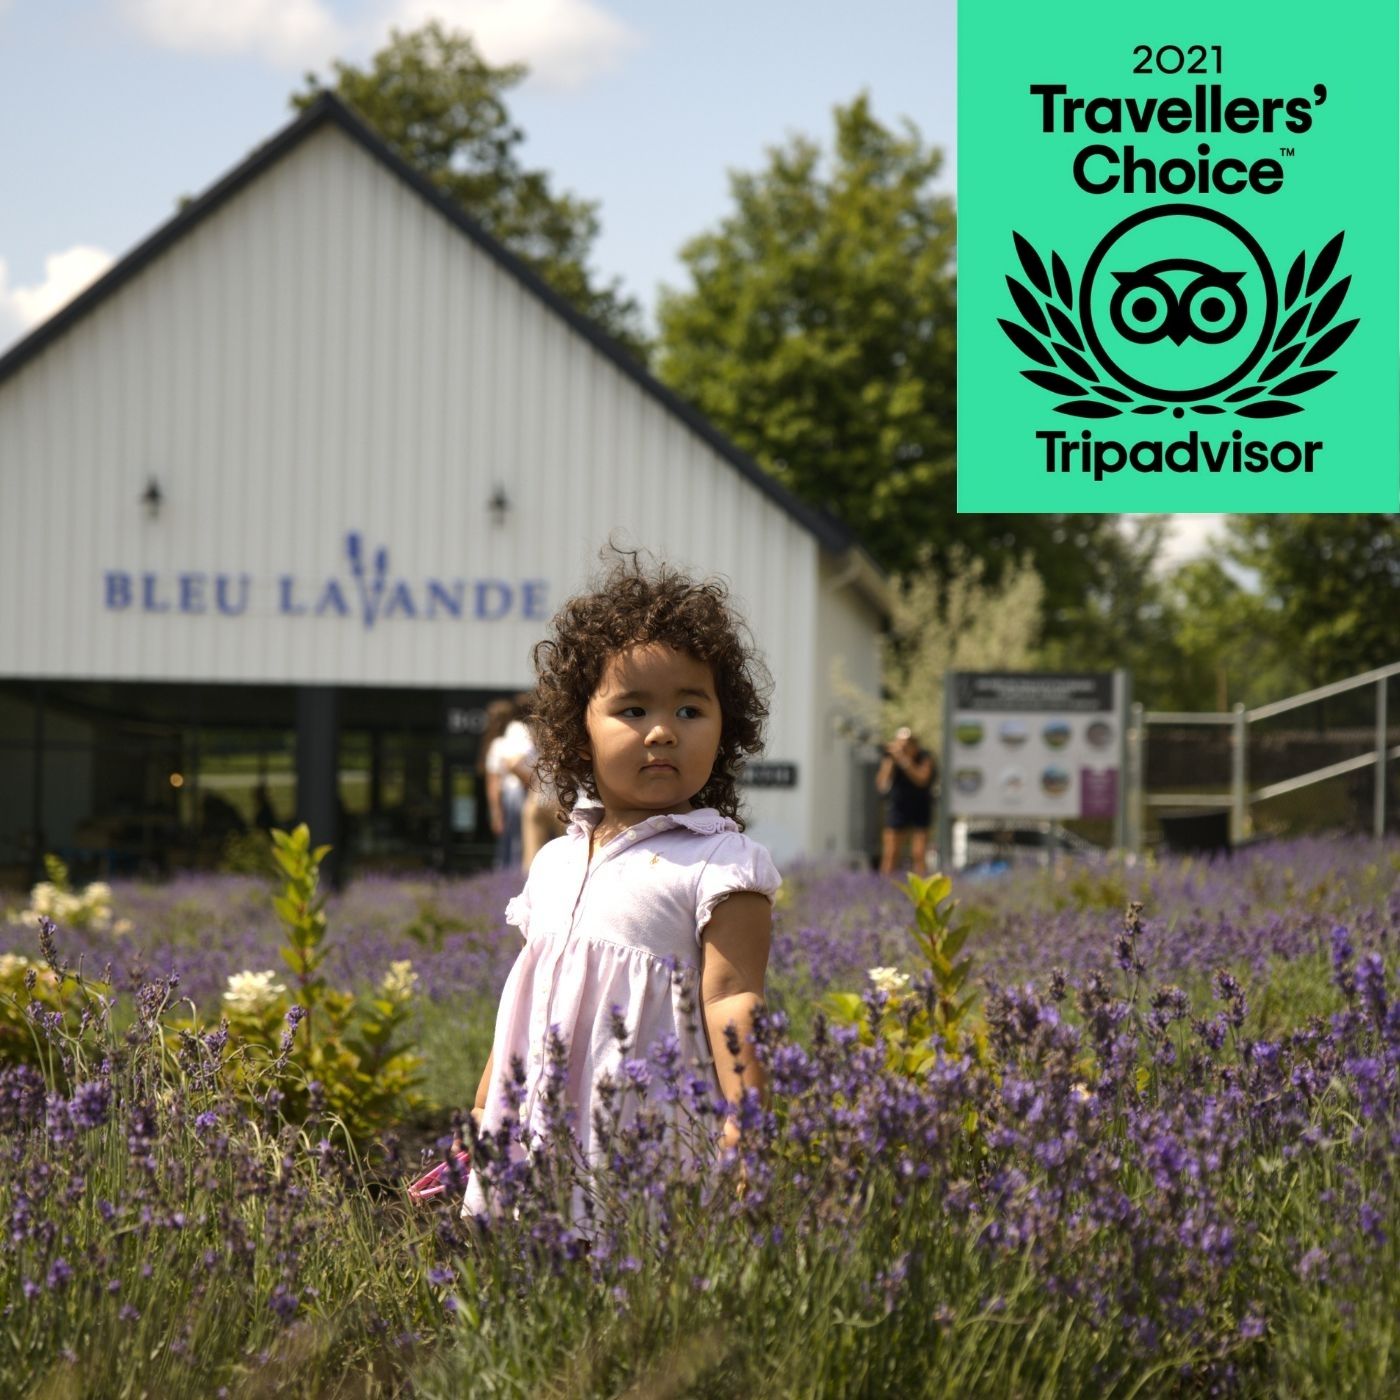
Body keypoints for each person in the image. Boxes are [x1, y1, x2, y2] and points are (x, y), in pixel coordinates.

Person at [462, 556, 779, 1218]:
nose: (663, 730)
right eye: (632, 709)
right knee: (535, 1273)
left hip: (644, 1136)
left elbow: (734, 999)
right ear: (579, 731)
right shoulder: (553, 860)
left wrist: (747, 1127)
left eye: (691, 708)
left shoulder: (722, 864)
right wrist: (487, 1098)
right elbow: (528, 991)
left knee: (634, 1276)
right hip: (539, 1130)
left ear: (726, 730)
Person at [876, 725, 937, 875]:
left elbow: (921, 779)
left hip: (920, 807)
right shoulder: (891, 758)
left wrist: (904, 760)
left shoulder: (924, 757)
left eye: (907, 743)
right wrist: (891, 760)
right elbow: (882, 784)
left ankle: (922, 888)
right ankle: (884, 887)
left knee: (919, 853)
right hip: (898, 807)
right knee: (891, 852)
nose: (903, 747)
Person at [480, 697, 527, 870]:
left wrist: (496, 813)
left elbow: (493, 784)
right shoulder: (520, 738)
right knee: (519, 842)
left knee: (509, 844)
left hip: (509, 796)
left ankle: (507, 875)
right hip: (518, 795)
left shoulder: (498, 744)